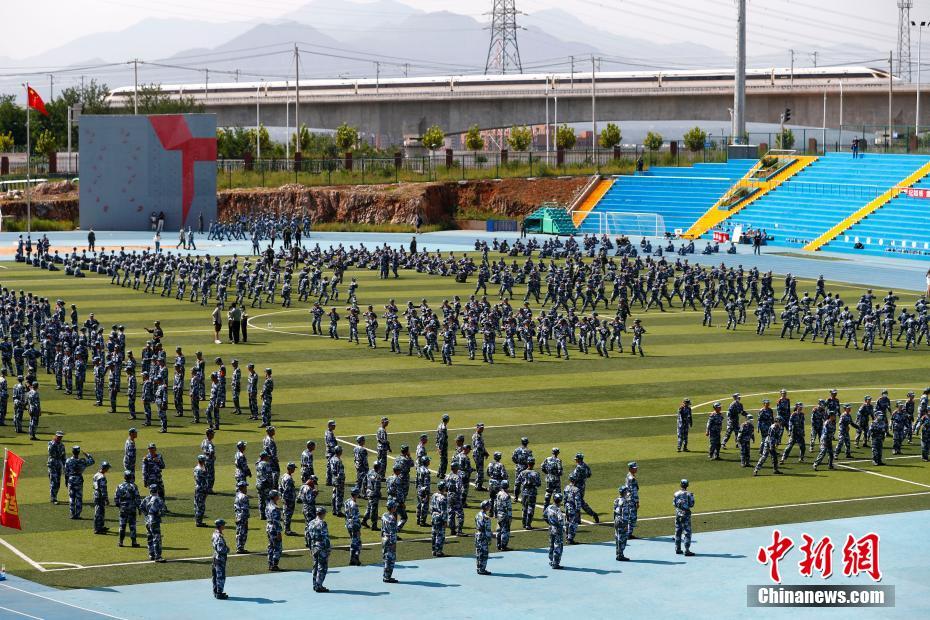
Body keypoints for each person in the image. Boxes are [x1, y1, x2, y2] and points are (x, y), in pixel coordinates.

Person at [64, 445, 95, 519]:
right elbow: (92, 461)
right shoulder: (82, 461)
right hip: (79, 479)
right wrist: (87, 454)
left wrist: (66, 480)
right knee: (78, 497)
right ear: (78, 452)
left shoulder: (68, 460)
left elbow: (66, 472)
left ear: (72, 452)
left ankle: (72, 514)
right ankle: (77, 514)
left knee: (71, 497)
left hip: (71, 479)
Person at [114, 469, 141, 547]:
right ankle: (134, 542)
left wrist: (120, 506)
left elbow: (116, 498)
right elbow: (137, 498)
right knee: (132, 526)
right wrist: (139, 508)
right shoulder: (134, 486)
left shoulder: (120, 486)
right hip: (132, 508)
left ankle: (120, 542)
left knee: (122, 525)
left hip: (123, 509)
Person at [307, 506, 331, 592]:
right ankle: (319, 585)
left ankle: (315, 584)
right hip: (321, 546)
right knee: (322, 567)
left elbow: (307, 536)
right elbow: (325, 537)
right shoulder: (322, 523)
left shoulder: (310, 523)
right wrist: (328, 549)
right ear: (323, 513)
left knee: (315, 566)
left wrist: (310, 547)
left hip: (314, 546)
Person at [140, 483, 167, 562]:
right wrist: (159, 514)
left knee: (150, 537)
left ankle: (151, 554)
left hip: (147, 520)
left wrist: (146, 515)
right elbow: (163, 510)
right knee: (157, 538)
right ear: (157, 490)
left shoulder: (146, 498)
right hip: (154, 520)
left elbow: (141, 507)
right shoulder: (158, 499)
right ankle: (158, 556)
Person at [673, 479, 695, 556]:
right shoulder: (689, 494)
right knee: (687, 532)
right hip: (686, 515)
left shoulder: (676, 494)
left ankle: (678, 549)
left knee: (678, 531)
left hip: (678, 514)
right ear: (687, 485)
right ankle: (687, 550)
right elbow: (692, 505)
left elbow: (674, 504)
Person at [544, 493, 565, 569]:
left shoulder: (549, 507)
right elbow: (561, 522)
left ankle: (551, 560)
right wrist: (563, 529)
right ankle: (555, 563)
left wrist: (550, 523)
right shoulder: (558, 510)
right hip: (557, 530)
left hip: (550, 529)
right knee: (558, 546)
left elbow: (544, 516)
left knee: (551, 545)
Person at [381, 499, 400, 583]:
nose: (396, 508)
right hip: (389, 540)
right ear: (392, 508)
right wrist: (393, 543)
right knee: (390, 559)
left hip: (384, 538)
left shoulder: (384, 515)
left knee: (386, 558)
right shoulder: (392, 518)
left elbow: (382, 529)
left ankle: (386, 576)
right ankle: (387, 577)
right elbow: (392, 532)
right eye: (395, 507)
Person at [613, 485, 632, 561]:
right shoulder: (625, 502)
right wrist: (625, 524)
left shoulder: (616, 500)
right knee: (622, 538)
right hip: (622, 521)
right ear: (624, 492)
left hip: (617, 520)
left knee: (617, 537)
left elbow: (614, 512)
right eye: (626, 491)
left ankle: (618, 553)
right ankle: (620, 555)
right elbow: (625, 514)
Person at [265, 489, 283, 571]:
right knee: (277, 547)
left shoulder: (268, 505)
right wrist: (279, 532)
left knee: (271, 546)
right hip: (274, 528)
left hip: (268, 527)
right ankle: (274, 564)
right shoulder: (275, 508)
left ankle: (270, 563)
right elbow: (276, 522)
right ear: (275, 497)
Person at [212, 519, 230, 599]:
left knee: (215, 575)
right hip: (220, 559)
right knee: (220, 576)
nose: (224, 526)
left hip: (215, 557)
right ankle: (219, 593)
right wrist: (227, 549)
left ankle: (216, 591)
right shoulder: (219, 536)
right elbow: (220, 549)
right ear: (221, 526)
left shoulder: (214, 533)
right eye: (223, 524)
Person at [47, 430, 66, 504]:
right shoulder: (51, 443)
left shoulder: (62, 445)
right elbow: (50, 452)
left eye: (61, 437)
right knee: (53, 481)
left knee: (58, 482)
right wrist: (55, 442)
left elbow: (63, 456)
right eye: (58, 437)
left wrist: (65, 466)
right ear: (56, 436)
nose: (60, 438)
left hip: (59, 464)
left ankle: (55, 496)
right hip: (52, 464)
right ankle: (53, 498)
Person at [92, 461, 111, 534]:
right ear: (105, 468)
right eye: (108, 468)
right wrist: (106, 499)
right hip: (100, 496)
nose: (108, 469)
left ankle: (101, 526)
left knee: (101, 511)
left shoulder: (96, 474)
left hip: (96, 494)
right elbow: (103, 489)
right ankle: (97, 529)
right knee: (99, 512)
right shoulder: (102, 477)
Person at [474, 499, 493, 575]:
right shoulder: (486, 517)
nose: (490, 507)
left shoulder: (478, 514)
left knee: (478, 552)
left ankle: (478, 568)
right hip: (483, 536)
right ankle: (482, 569)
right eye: (489, 505)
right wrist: (489, 539)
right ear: (486, 507)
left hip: (477, 535)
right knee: (484, 553)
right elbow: (487, 530)